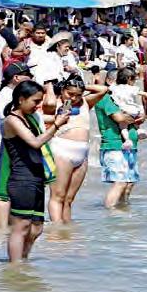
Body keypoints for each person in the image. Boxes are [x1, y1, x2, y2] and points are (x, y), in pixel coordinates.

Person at [0, 80, 68, 261]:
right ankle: (15, 266)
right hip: (21, 179)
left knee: (37, 227)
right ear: (21, 99)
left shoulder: (30, 118)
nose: (38, 106)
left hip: (36, 177)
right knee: (21, 226)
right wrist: (57, 125)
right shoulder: (12, 120)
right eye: (35, 101)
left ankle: (23, 261)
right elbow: (35, 142)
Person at [47, 74, 108, 222]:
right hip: (62, 150)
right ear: (63, 90)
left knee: (69, 198)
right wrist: (58, 87)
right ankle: (57, 229)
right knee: (58, 196)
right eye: (70, 93)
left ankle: (67, 230)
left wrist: (81, 86)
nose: (74, 98)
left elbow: (103, 89)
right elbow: (48, 102)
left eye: (78, 95)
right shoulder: (55, 104)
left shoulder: (85, 102)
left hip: (82, 153)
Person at [94, 69, 147, 209]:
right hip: (114, 145)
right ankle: (111, 214)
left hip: (130, 146)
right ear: (110, 81)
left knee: (129, 184)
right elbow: (120, 118)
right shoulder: (106, 98)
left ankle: (123, 212)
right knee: (120, 182)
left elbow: (135, 116)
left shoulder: (126, 98)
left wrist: (140, 116)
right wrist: (134, 117)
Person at [109, 66, 147, 147]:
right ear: (129, 79)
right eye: (134, 80)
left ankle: (127, 140)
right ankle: (139, 130)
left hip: (123, 111)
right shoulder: (132, 88)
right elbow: (144, 94)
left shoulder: (114, 88)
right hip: (134, 111)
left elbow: (108, 88)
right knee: (137, 120)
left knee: (123, 127)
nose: (135, 82)